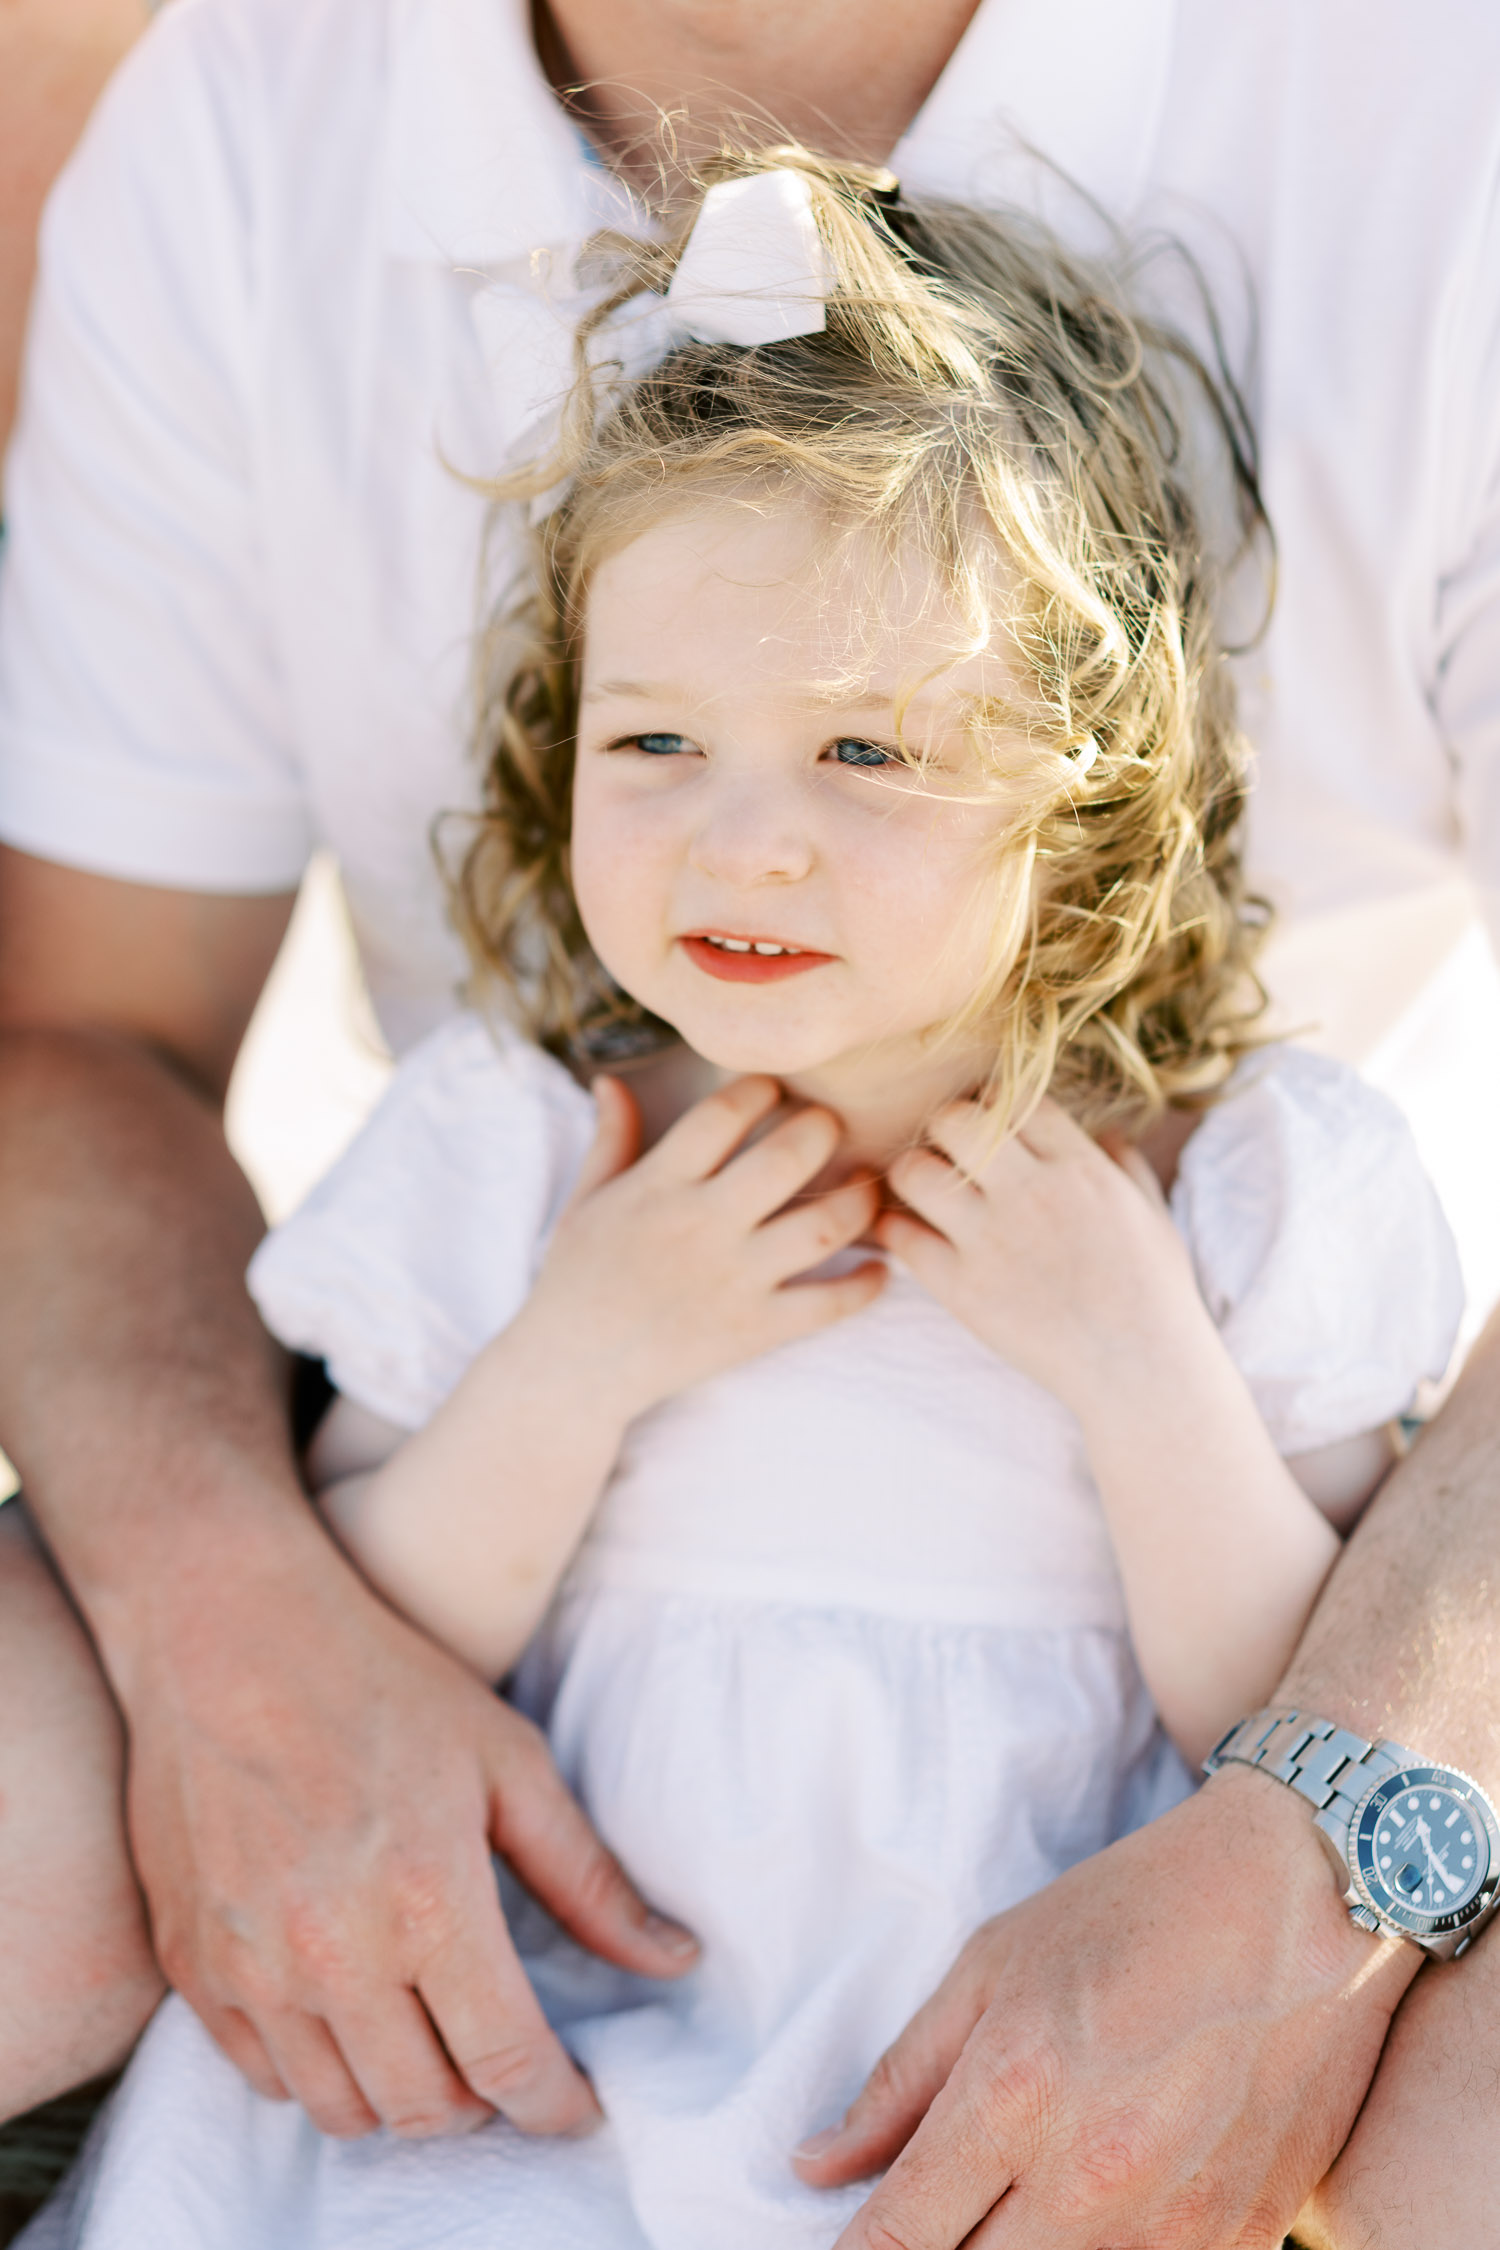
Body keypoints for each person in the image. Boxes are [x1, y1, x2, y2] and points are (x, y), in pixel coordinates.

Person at [2, 4, 1499, 2245]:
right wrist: (556, 1376)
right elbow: (101, 1073)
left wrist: (1148, 1400)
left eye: (871, 758)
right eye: (659, 748)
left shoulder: (1226, 1204)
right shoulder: (539, 1167)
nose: (748, 850)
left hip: (993, 1944)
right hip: (581, 1970)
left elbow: (1261, 1688)